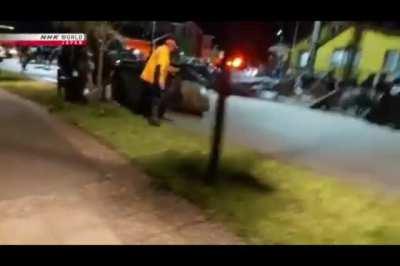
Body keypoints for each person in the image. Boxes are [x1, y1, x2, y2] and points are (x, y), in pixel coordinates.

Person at [140, 38, 179, 126]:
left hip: (149, 76)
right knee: (156, 98)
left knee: (151, 98)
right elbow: (160, 66)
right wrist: (161, 80)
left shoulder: (162, 50)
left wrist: (173, 70)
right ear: (170, 45)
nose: (174, 49)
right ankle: (153, 118)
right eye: (173, 47)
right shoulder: (164, 51)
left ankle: (149, 116)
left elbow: (165, 65)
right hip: (153, 77)